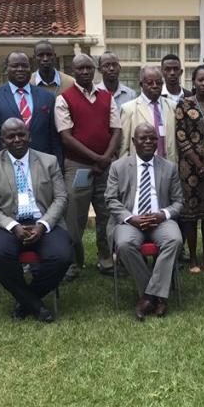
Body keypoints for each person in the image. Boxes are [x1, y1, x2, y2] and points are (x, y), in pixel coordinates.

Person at [0, 118, 71, 323]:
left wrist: (43, 225)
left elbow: (61, 197)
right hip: (5, 224)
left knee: (62, 256)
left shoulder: (49, 161)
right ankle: (35, 305)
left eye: (21, 134)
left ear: (29, 136)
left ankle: (25, 300)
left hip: (44, 222)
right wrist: (13, 226)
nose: (17, 139)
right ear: (3, 141)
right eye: (11, 136)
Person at [105, 123, 185, 320]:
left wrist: (163, 214)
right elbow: (110, 199)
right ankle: (155, 295)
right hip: (130, 220)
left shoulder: (169, 167)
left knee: (174, 240)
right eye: (143, 138)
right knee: (124, 244)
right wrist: (131, 218)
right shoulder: (118, 166)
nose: (148, 142)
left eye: (152, 138)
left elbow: (178, 201)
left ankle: (149, 296)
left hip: (160, 220)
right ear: (134, 142)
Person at [55, 53, 122, 280]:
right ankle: (73, 263)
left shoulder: (107, 97)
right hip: (78, 166)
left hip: (106, 166)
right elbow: (66, 136)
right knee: (74, 216)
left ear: (95, 69)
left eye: (88, 68)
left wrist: (105, 158)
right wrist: (96, 158)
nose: (85, 72)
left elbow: (116, 131)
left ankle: (106, 259)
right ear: (73, 71)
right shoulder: (64, 98)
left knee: (107, 214)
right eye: (80, 69)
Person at [174, 64, 204, 272]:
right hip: (190, 167)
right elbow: (181, 136)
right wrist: (199, 163)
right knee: (191, 214)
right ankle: (192, 258)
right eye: (200, 80)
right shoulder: (183, 104)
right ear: (193, 81)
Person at [0, 51, 60, 159]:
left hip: (42, 166)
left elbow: (55, 139)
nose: (20, 69)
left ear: (30, 68)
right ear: (6, 69)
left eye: (24, 66)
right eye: (15, 66)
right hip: (7, 166)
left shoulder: (47, 97)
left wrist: (58, 167)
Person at [120, 65, 178, 161]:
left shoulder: (173, 106)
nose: (155, 86)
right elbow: (124, 146)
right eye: (150, 83)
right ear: (141, 84)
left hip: (169, 166)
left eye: (158, 83)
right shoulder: (128, 109)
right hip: (140, 168)